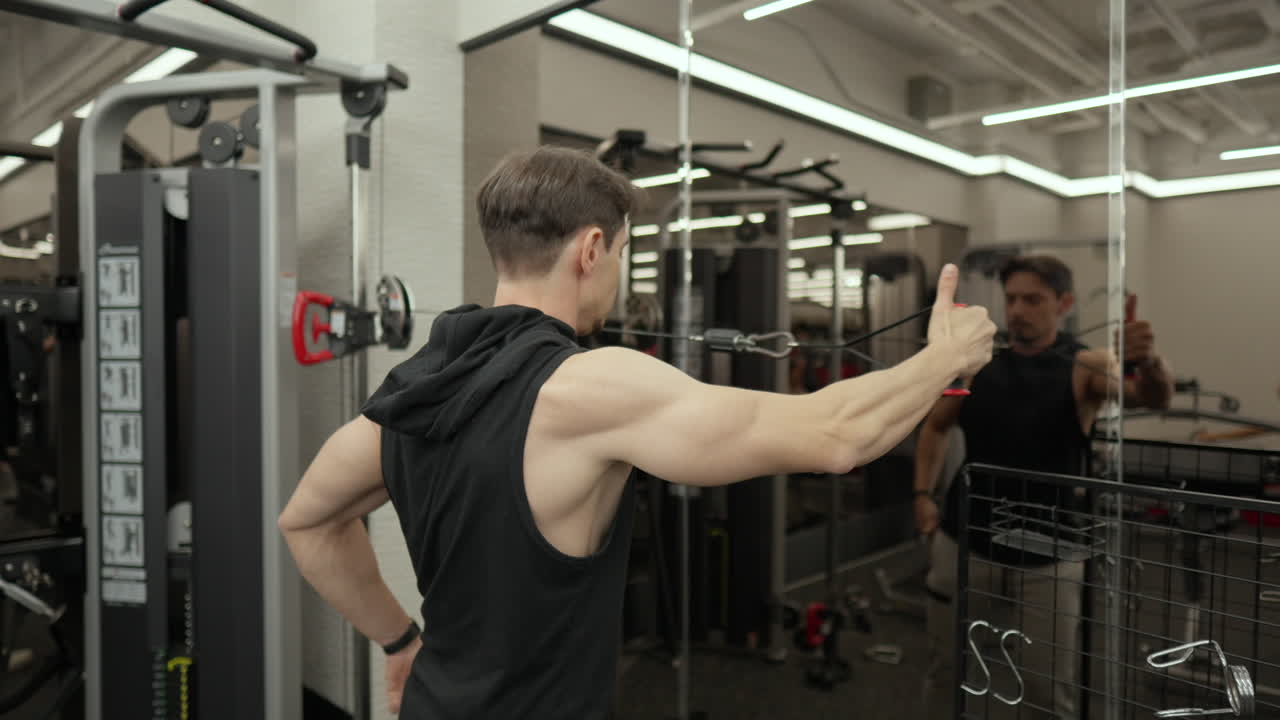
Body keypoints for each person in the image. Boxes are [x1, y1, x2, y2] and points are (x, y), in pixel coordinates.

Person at [277, 145, 997, 719]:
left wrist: (399, 640)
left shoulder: (411, 394)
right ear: (592, 249)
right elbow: (838, 435)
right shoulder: (590, 388)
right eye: (622, 252)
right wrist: (948, 358)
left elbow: (306, 522)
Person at [913, 255, 1174, 719]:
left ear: (1064, 303)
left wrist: (1150, 362)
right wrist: (922, 498)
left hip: (1049, 554)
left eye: (1033, 299)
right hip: (966, 541)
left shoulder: (1085, 365)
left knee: (1044, 688)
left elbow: (1155, 397)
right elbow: (935, 427)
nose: (1017, 310)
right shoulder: (977, 363)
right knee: (946, 670)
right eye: (1012, 299)